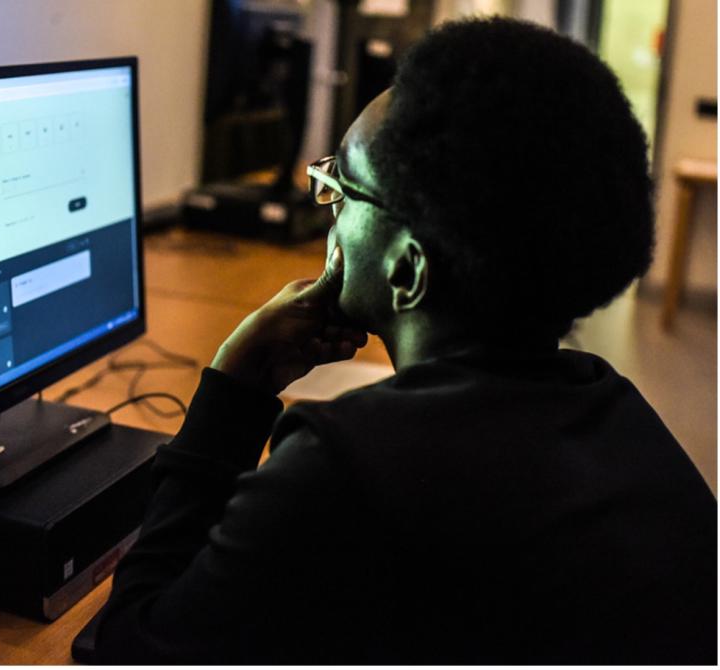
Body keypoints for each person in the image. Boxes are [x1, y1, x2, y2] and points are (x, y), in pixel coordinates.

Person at [92, 17, 717, 664]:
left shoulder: (347, 469)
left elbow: (129, 649)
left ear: (407, 269)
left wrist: (233, 390)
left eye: (340, 190)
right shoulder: (623, 414)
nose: (328, 213)